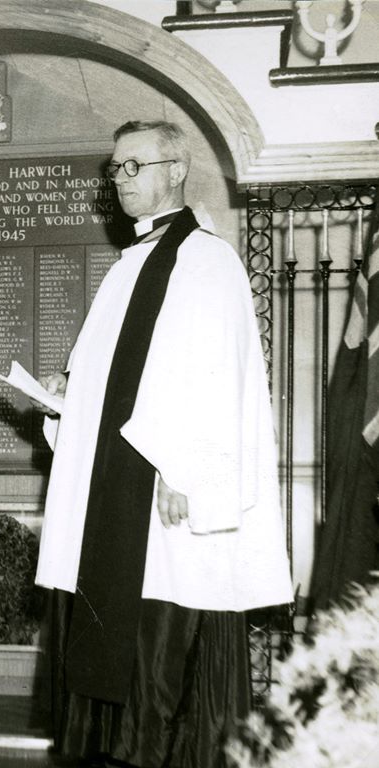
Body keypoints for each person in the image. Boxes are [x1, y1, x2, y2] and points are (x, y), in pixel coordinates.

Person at [33, 121, 292, 768]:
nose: (119, 181)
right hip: (116, 495)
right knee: (119, 651)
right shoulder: (129, 268)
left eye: (133, 166)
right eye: (114, 169)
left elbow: (218, 376)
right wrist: (68, 394)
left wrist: (188, 471)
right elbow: (122, 382)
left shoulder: (206, 259)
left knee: (165, 655)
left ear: (176, 169)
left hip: (165, 495)